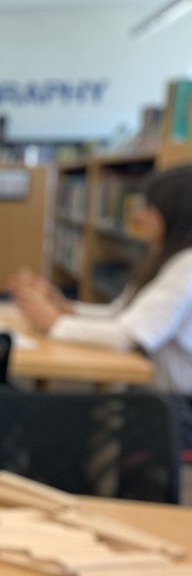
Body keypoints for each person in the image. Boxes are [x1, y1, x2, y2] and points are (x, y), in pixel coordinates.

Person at [12, 164, 192, 444]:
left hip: (175, 407)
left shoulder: (186, 266)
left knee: (58, 425)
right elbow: (121, 314)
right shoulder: (166, 257)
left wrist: (55, 322)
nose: (139, 216)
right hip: (153, 395)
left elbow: (129, 336)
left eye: (149, 208)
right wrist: (65, 307)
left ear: (176, 213)